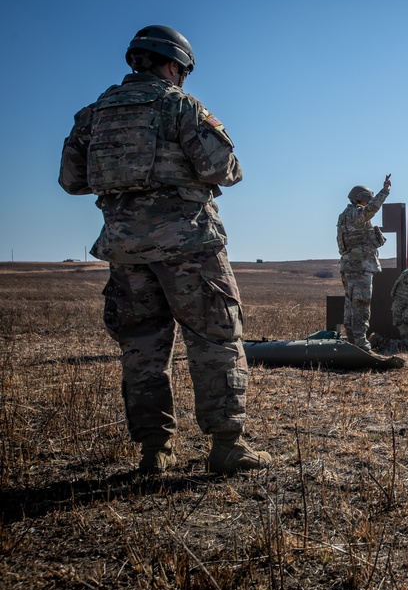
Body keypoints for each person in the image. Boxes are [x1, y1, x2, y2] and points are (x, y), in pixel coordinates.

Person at [59, 25, 271, 475]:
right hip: (190, 245)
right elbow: (224, 168)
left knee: (142, 348)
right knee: (216, 338)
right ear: (173, 65)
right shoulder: (181, 105)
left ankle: (155, 451)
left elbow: (72, 180)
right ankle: (227, 446)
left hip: (127, 251)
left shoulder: (92, 114)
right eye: (183, 71)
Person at [337, 176, 391, 351]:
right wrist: (384, 192)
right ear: (362, 197)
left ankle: (352, 339)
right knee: (361, 303)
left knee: (351, 303)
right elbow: (371, 210)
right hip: (360, 267)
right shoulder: (356, 214)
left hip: (349, 266)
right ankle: (360, 342)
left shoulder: (345, 215)